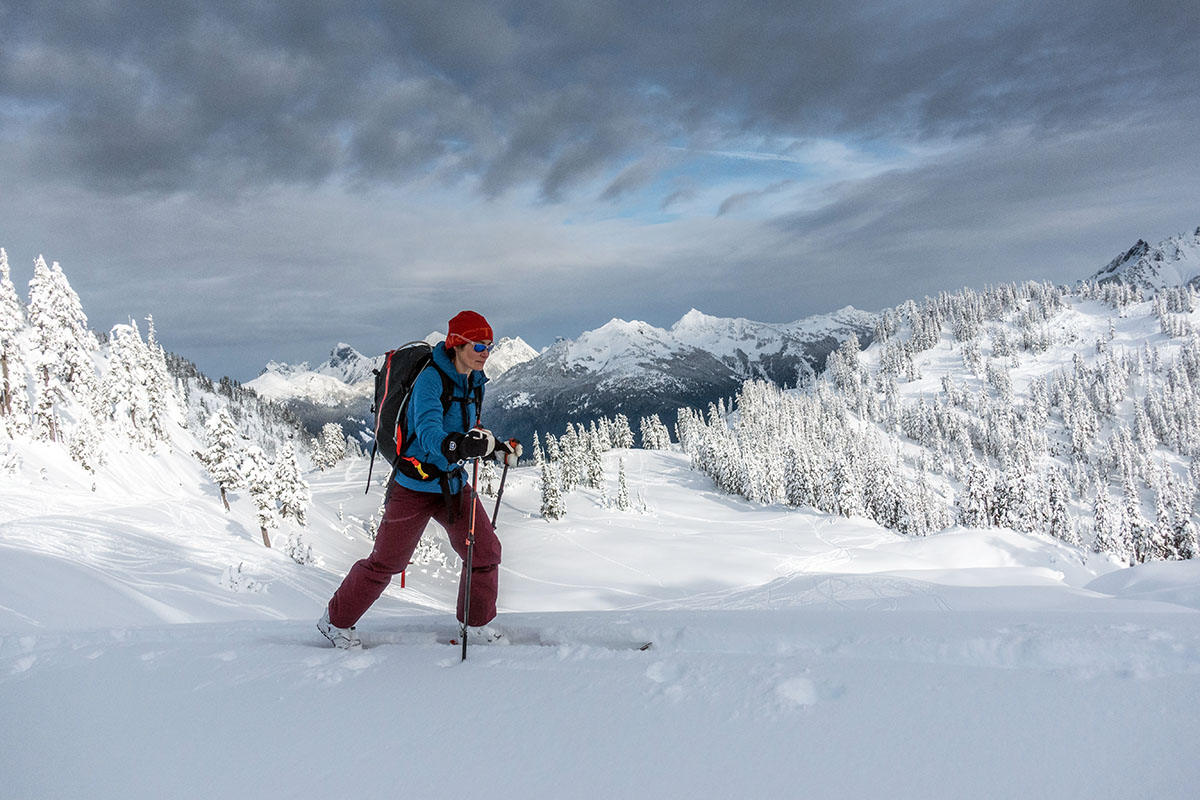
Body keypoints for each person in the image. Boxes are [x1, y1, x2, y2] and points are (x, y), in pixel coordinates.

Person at [318, 310, 521, 649]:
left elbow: (469, 430)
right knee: (388, 562)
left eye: (490, 345)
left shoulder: (473, 381)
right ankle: (335, 622)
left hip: (452, 483)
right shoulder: (430, 379)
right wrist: (460, 445)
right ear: (457, 344)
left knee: (485, 551)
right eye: (479, 345)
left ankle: (475, 624)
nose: (486, 352)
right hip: (414, 485)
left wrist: (495, 448)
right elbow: (429, 433)